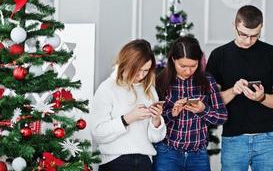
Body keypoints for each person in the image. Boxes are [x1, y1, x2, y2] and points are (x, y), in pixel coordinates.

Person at [206, 5, 273, 171]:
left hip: (268, 139)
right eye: (243, 34)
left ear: (261, 28)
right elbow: (212, 102)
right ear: (234, 25)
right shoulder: (219, 55)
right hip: (233, 139)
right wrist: (233, 90)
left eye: (254, 36)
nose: (248, 40)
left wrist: (262, 97)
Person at [90, 39, 166, 171]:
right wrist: (128, 118)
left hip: (144, 162)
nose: (141, 75)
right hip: (115, 162)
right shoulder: (107, 88)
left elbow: (155, 138)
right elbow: (97, 133)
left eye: (146, 70)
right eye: (138, 70)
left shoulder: (149, 90)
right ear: (126, 64)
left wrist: (156, 120)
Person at [153, 36, 228, 171]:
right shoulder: (160, 81)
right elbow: (152, 123)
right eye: (183, 66)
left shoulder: (208, 80)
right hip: (167, 154)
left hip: (198, 156)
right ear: (173, 60)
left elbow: (222, 117)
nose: (188, 71)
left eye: (193, 66)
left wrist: (203, 110)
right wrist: (172, 113)